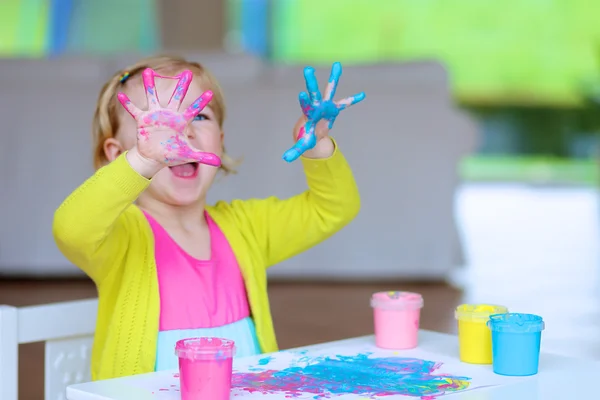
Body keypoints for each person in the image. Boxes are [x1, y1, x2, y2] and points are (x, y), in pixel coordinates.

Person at [52, 55, 364, 380]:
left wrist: (319, 145)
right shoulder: (122, 238)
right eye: (158, 123)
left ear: (220, 141)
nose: (181, 131)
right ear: (119, 154)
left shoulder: (247, 228)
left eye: (199, 115)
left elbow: (334, 208)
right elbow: (71, 229)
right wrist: (143, 160)